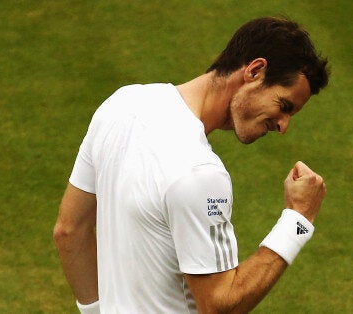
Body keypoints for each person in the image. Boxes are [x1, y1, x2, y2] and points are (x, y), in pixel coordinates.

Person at [54, 16, 329, 313]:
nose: (283, 126)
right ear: (255, 71)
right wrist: (298, 220)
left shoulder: (121, 105)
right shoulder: (201, 174)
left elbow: (69, 231)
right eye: (284, 106)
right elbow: (220, 304)